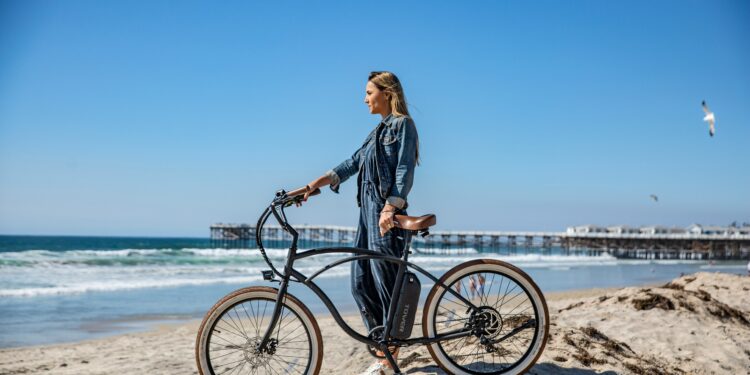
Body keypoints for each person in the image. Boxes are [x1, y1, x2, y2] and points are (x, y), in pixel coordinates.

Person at [300, 71, 419, 375]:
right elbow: (351, 163)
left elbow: (404, 168)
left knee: (385, 281)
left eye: (369, 92)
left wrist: (391, 206)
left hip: (384, 212)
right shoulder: (375, 132)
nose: (364, 98)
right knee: (359, 282)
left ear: (387, 93)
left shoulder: (402, 125)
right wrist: (316, 183)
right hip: (365, 215)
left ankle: (387, 353)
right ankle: (383, 344)